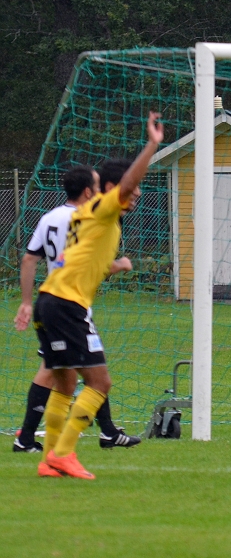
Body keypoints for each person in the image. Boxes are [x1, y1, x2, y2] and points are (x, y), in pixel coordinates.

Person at [33, 111, 163, 479]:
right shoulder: (105, 209)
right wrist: (152, 145)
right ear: (111, 187)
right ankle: (64, 453)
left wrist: (115, 267)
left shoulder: (86, 214)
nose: (136, 194)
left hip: (51, 301)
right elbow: (124, 186)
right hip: (66, 305)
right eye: (132, 189)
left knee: (66, 383)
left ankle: (49, 461)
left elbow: (83, 260)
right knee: (100, 383)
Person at [12, 166, 139, 452]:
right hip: (68, 303)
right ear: (88, 190)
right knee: (71, 373)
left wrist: (25, 301)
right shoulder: (90, 218)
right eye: (96, 185)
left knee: (85, 370)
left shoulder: (49, 218)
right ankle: (33, 441)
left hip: (58, 299)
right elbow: (88, 262)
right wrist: (119, 265)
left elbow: (30, 259)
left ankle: (103, 433)